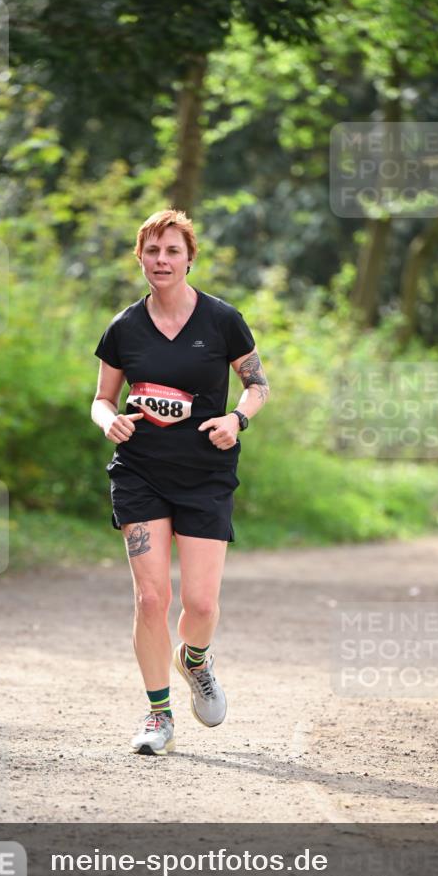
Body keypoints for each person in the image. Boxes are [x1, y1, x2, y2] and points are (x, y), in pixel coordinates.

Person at [91, 208, 269, 755]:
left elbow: (258, 386)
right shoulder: (124, 328)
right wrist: (110, 421)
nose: (161, 260)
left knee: (201, 605)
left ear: (190, 258)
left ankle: (195, 658)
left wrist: (236, 420)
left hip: (205, 476)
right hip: (141, 472)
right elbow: (101, 399)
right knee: (150, 599)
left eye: (172, 251)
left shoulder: (222, 321)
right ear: (140, 258)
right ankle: (158, 715)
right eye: (152, 251)